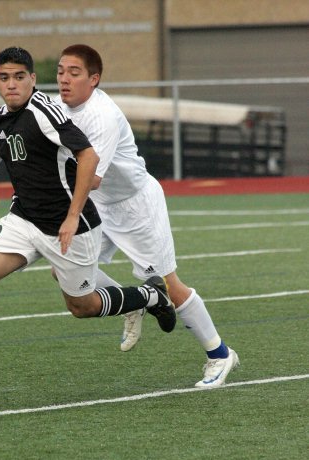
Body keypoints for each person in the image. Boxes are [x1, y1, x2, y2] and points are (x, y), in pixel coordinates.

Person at [0, 46, 176, 384]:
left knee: (82, 307)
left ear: (32, 79)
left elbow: (88, 156)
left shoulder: (45, 112)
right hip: (24, 218)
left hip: (69, 223)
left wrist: (73, 215)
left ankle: (149, 295)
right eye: (4, 78)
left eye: (19, 77)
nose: (11, 84)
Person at [56, 44, 239, 388]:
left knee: (171, 285)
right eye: (61, 71)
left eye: (74, 73)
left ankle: (220, 354)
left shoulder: (102, 116)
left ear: (94, 79)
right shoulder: (56, 108)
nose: (65, 79)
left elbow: (91, 177)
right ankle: (131, 303)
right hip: (99, 204)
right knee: (63, 265)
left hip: (135, 204)